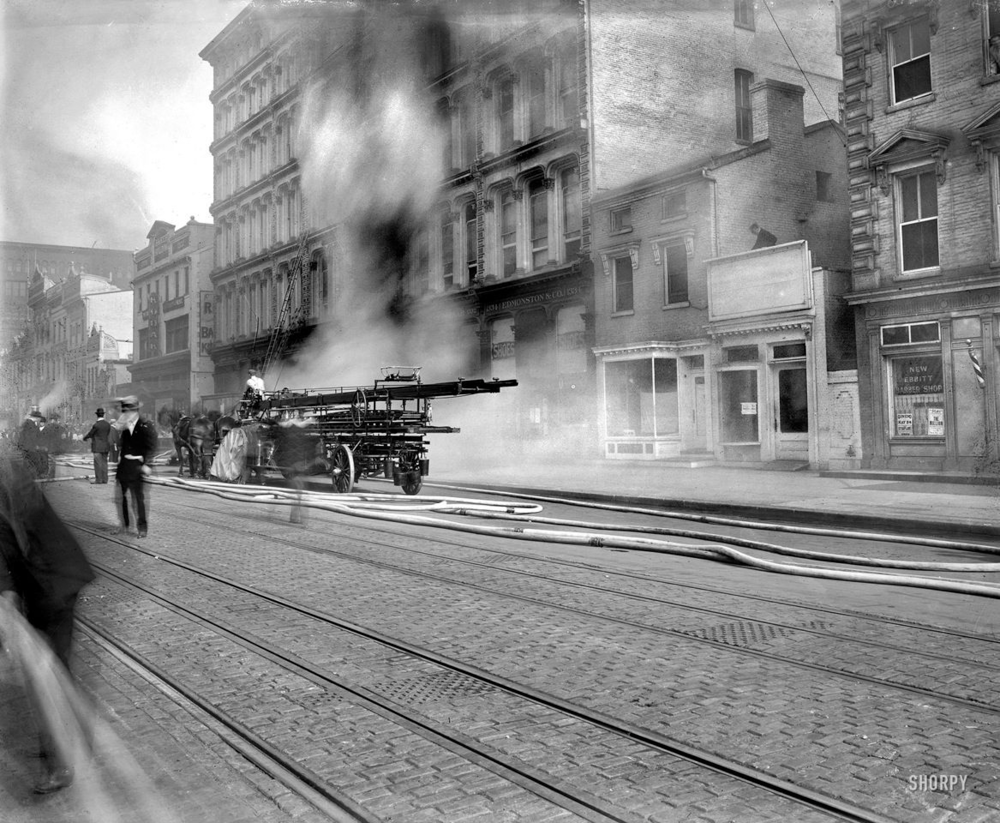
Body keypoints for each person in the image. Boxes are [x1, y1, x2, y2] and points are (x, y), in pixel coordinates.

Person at [0, 446, 95, 793]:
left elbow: (8, 543)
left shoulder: (6, 477)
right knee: (51, 668)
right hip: (47, 580)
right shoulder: (6, 469)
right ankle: (70, 742)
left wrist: (8, 600)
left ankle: (60, 761)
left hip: (52, 582)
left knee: (46, 672)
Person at [113, 396, 158, 538]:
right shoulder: (125, 427)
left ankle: (142, 528)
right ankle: (124, 525)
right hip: (124, 466)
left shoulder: (145, 426)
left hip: (138, 466)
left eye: (129, 411)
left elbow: (151, 447)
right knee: (121, 498)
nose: (126, 414)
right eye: (125, 411)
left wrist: (147, 464)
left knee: (138, 499)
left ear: (135, 411)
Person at [82, 407, 112, 484]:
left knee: (98, 463)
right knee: (105, 463)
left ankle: (98, 480)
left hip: (97, 447)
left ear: (97, 415)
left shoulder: (96, 425)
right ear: (103, 415)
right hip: (105, 446)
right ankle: (105, 479)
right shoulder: (108, 424)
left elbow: (91, 434)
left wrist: (85, 438)